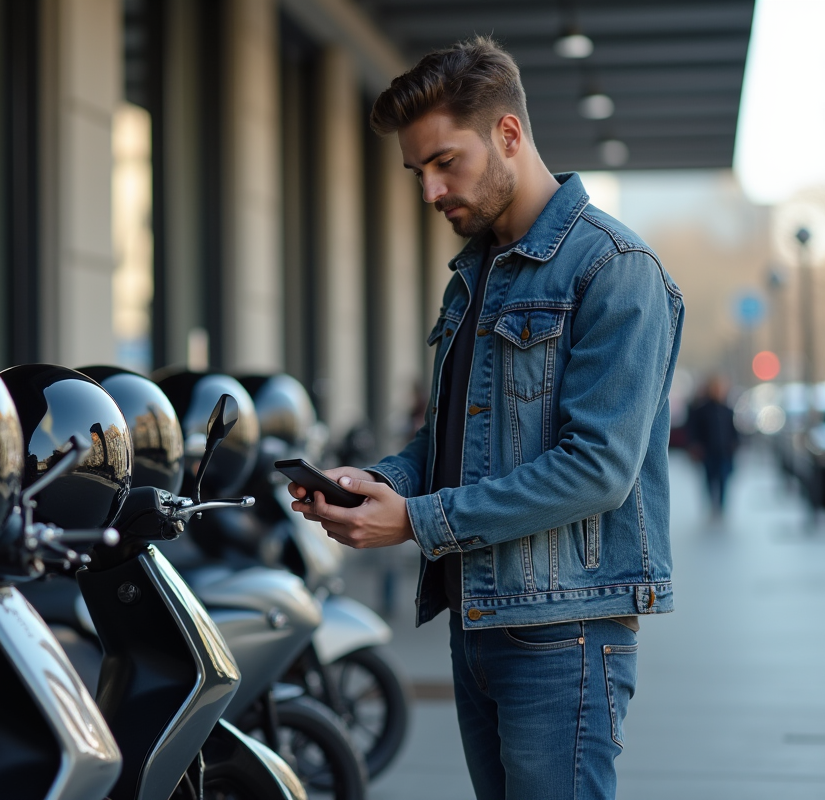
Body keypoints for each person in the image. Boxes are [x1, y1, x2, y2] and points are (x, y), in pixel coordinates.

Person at [286, 37, 684, 800]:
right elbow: (453, 443)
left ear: (508, 134)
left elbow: (597, 468)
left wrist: (418, 521)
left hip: (564, 636)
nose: (431, 191)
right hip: (481, 623)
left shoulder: (615, 270)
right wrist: (373, 483)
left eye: (445, 162)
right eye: (417, 171)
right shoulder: (476, 278)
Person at [687, 375, 739, 516]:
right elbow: (694, 430)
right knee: (709, 479)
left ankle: (721, 506)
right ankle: (712, 504)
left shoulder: (727, 410)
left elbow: (733, 431)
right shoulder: (702, 410)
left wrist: (734, 445)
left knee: (723, 479)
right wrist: (695, 446)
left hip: (724, 452)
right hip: (708, 452)